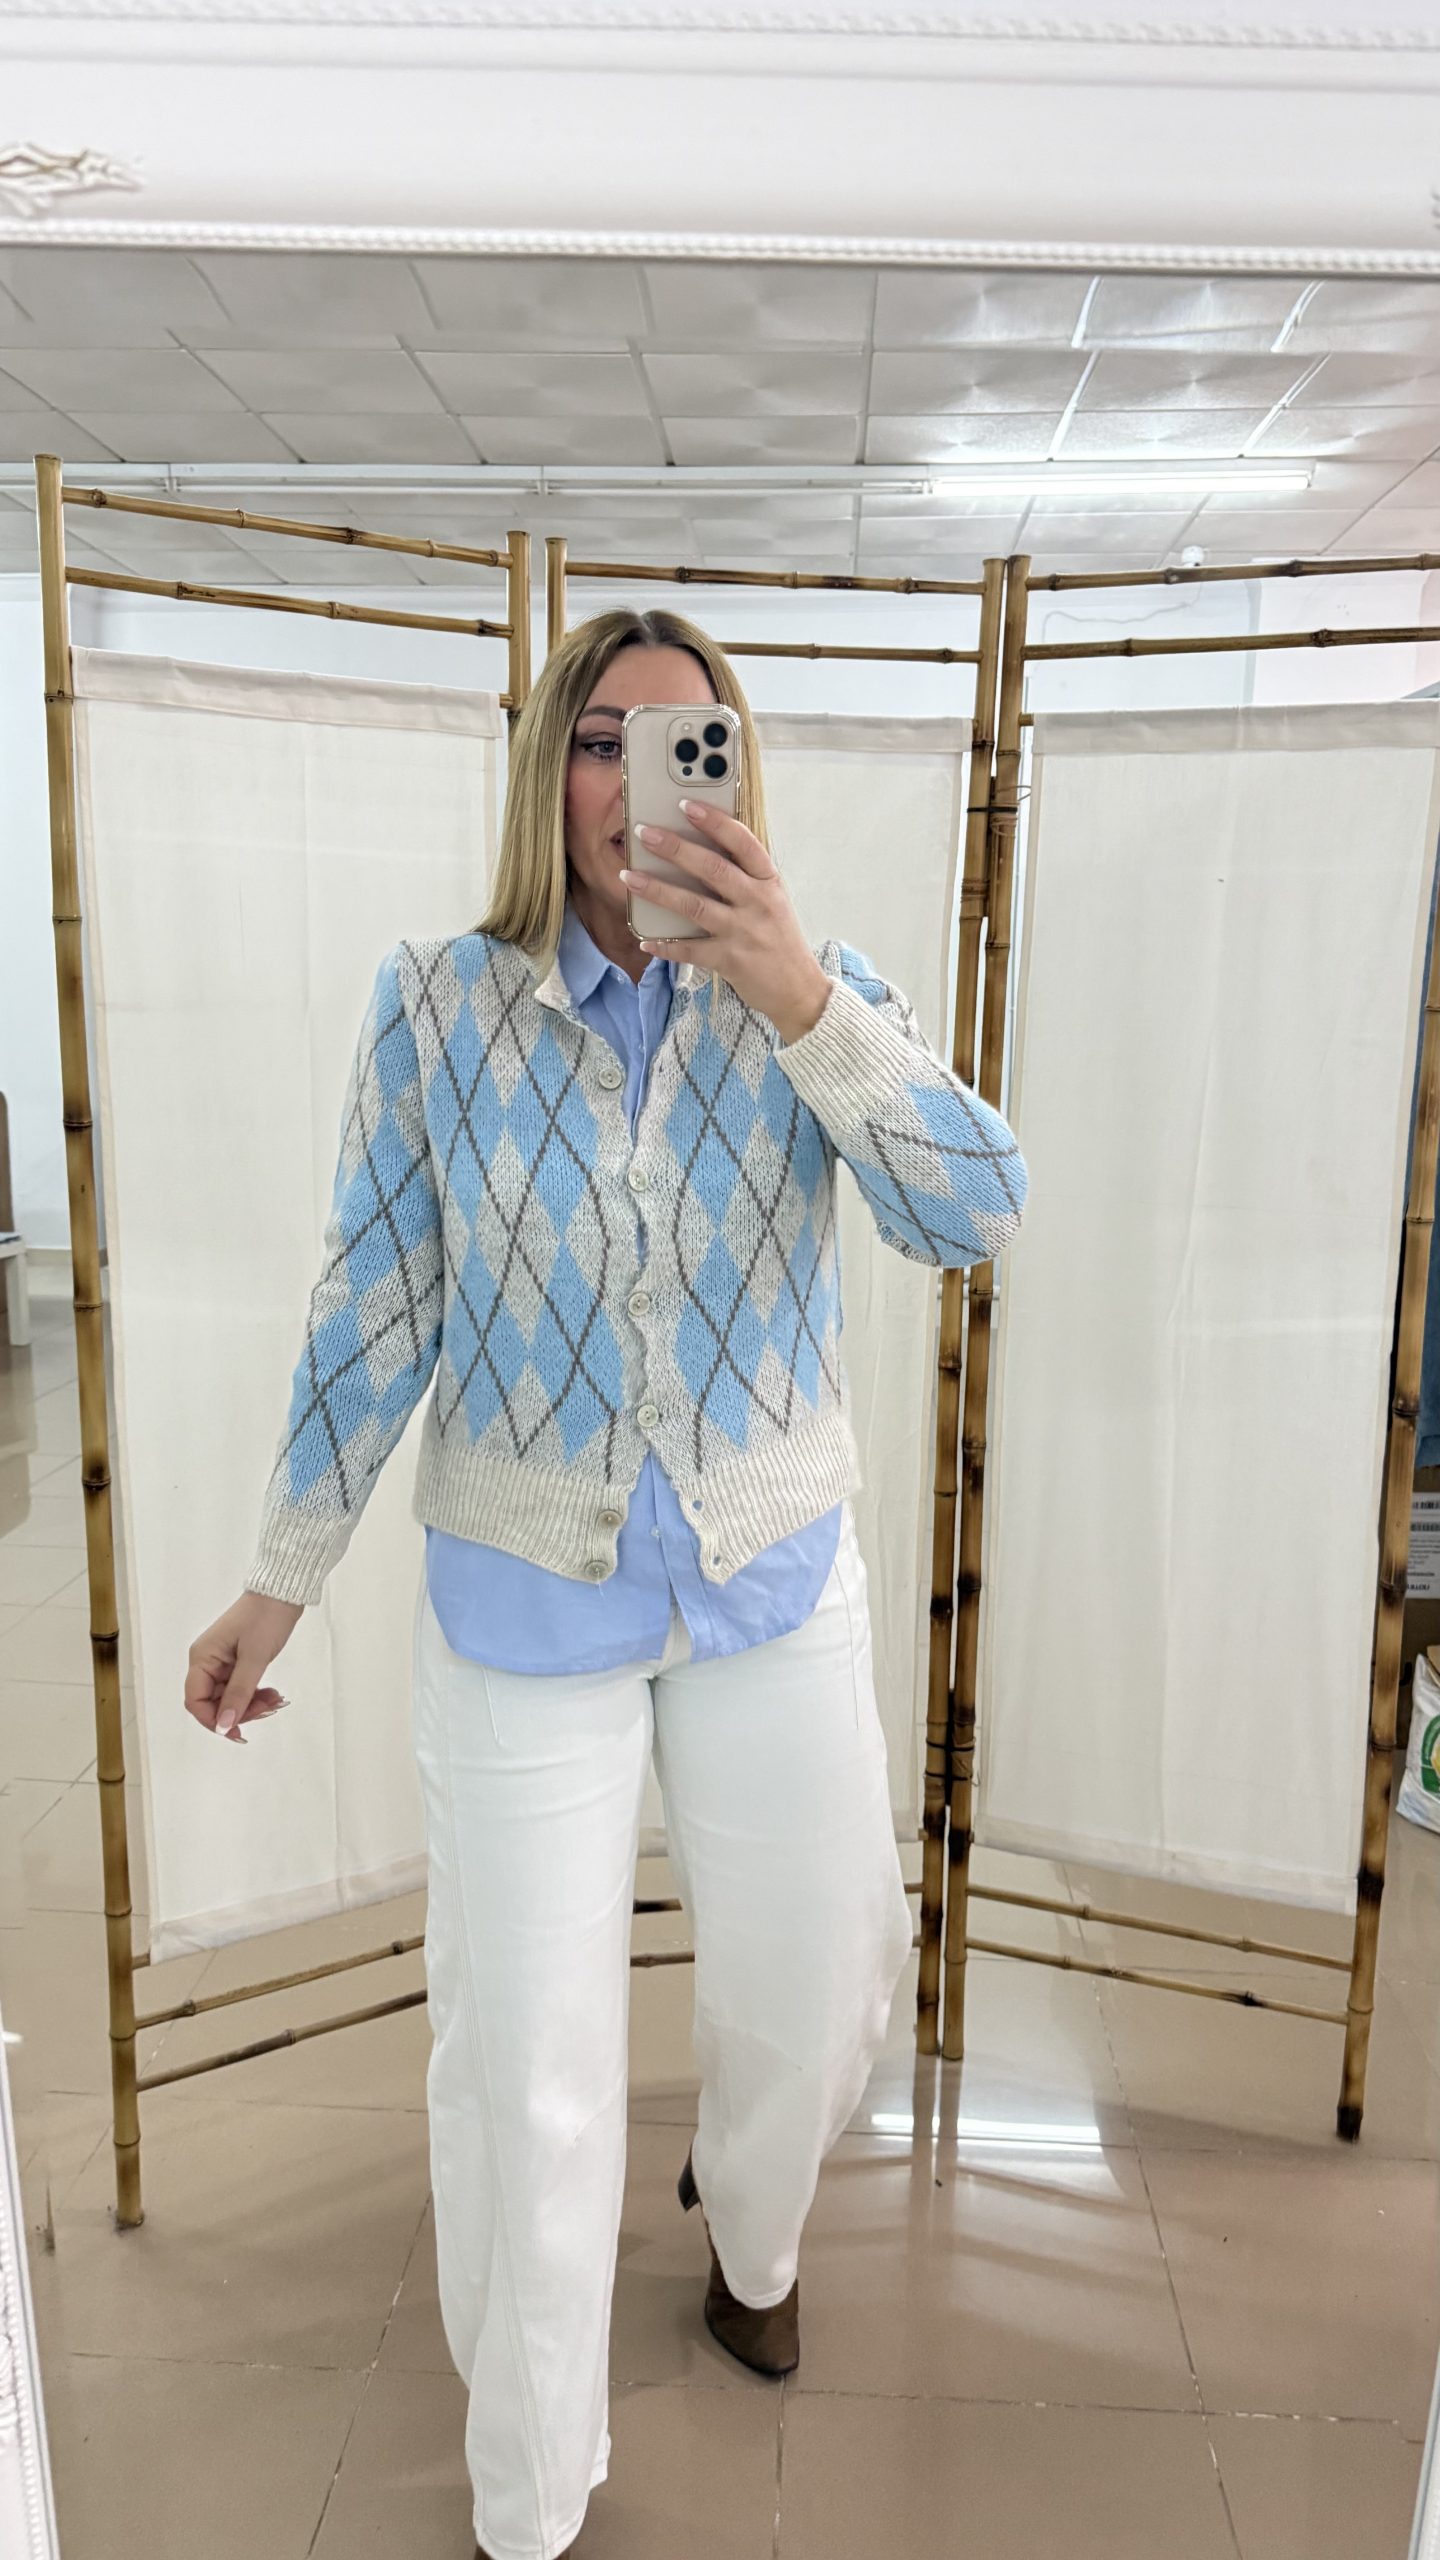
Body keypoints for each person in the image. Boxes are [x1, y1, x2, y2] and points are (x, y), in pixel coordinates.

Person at [183, 607, 1028, 2560]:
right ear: (548, 772)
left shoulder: (810, 991)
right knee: (532, 2074)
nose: (637, 781)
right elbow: (374, 1305)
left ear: (733, 773)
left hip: (771, 1576)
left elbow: (974, 1211)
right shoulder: (436, 1005)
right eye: (600, 739)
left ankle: (752, 2230)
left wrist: (798, 993)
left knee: (824, 1986)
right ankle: (532, 2499)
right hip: (526, 1603)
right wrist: (278, 1576)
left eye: (684, 740)